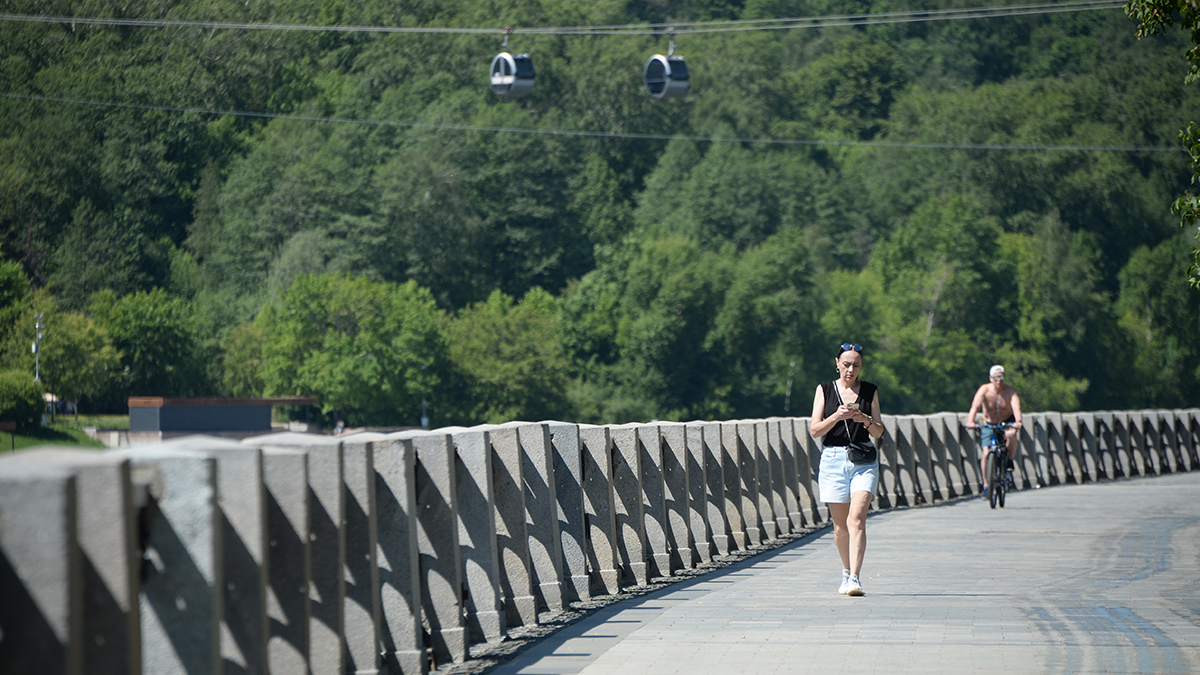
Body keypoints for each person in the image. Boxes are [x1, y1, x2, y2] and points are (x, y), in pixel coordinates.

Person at [810, 342, 884, 597]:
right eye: (846, 364)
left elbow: (878, 431)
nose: (851, 370)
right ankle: (845, 571)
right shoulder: (825, 390)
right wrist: (836, 417)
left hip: (863, 459)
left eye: (856, 365)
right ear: (837, 363)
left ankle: (855, 578)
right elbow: (815, 430)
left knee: (857, 518)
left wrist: (865, 419)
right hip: (832, 458)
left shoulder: (870, 391)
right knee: (840, 526)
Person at [965, 365, 1023, 495]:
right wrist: (970, 421)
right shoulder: (984, 390)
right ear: (991, 378)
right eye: (996, 377)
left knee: (1012, 434)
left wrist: (1018, 422)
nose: (999, 380)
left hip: (1006, 421)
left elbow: (1016, 407)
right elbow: (975, 407)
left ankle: (1009, 460)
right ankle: (986, 485)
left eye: (1002, 377)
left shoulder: (1010, 391)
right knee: (986, 453)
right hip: (988, 423)